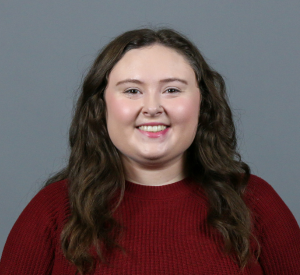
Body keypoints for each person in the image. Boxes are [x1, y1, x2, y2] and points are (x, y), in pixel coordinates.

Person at [0, 28, 299, 275]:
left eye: (172, 90)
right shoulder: (52, 210)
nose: (153, 107)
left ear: (202, 104)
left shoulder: (255, 202)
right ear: (101, 106)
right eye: (132, 90)